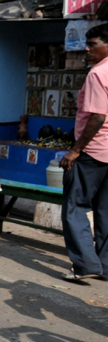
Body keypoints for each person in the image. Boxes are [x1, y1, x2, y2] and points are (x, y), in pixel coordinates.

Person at [59, 23, 108, 282]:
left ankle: (85, 263)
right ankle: (105, 266)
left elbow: (98, 117)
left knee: (74, 207)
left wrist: (76, 151)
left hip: (93, 151)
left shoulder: (98, 74)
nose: (87, 50)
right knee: (105, 210)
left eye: (93, 45)